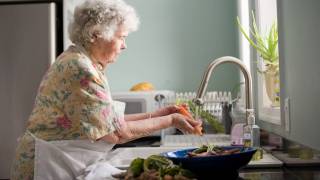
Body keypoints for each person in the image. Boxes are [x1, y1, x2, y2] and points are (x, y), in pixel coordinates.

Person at [10, 0, 201, 179]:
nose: (124, 46)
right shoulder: (81, 69)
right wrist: (171, 120)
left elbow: (109, 122)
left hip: (57, 160)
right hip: (45, 166)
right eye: (121, 37)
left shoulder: (82, 61)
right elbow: (117, 133)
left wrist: (160, 113)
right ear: (96, 35)